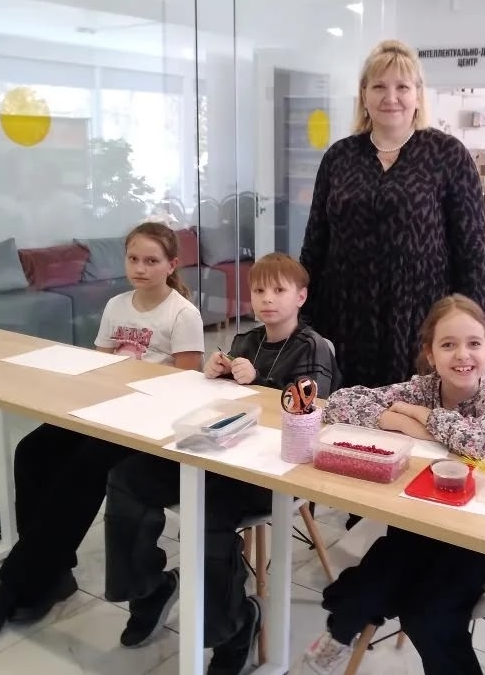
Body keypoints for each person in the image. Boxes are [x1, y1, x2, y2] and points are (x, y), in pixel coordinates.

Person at [0, 222, 205, 635]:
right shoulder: (116, 305)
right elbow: (97, 369)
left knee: (83, 468)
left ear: (171, 265)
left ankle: (16, 583)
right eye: (133, 259)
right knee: (33, 451)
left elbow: (185, 388)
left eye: (151, 261)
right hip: (106, 410)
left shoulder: (183, 314)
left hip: (148, 423)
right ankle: (54, 572)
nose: (140, 268)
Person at [102, 252, 340, 675]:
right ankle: (150, 590)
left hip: (271, 470)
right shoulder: (245, 341)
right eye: (259, 290)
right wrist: (214, 374)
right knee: (126, 478)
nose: (267, 299)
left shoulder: (312, 347)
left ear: (301, 297)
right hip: (216, 455)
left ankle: (236, 626)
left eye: (279, 290)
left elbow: (307, 410)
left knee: (205, 516)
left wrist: (260, 382)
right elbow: (220, 406)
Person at [301, 295, 485, 675]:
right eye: (448, 345)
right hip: (419, 520)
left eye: (473, 343)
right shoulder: (423, 387)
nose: (462, 355)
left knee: (428, 615)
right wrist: (396, 420)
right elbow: (339, 404)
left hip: (479, 533)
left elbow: (475, 442)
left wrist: (419, 417)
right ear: (430, 354)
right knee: (367, 586)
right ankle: (340, 633)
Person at [300, 39, 485, 391]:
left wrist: (475, 332)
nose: (391, 97)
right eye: (379, 87)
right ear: (364, 94)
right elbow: (314, 244)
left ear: (418, 94)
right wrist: (301, 317)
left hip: (420, 319)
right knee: (344, 413)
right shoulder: (339, 157)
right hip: (344, 317)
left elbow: (472, 253)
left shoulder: (448, 155)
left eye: (402, 87)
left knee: (414, 414)